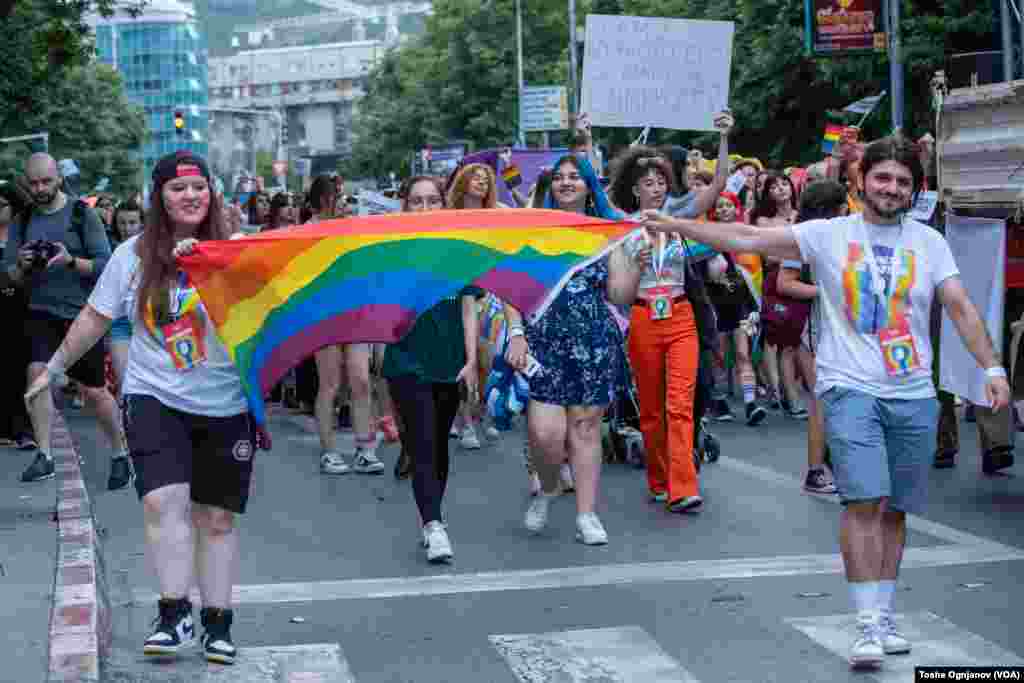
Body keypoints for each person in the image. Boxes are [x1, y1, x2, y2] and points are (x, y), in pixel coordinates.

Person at [640, 135, 1010, 669]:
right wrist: (678, 226)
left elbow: (960, 306)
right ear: (862, 183)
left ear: (914, 191)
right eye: (882, 178)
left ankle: (884, 615)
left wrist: (992, 367)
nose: (892, 188)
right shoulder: (828, 234)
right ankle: (864, 625)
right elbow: (746, 235)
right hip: (849, 387)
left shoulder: (929, 244)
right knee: (863, 500)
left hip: (912, 393)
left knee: (896, 510)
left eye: (903, 182)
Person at [24, 150, 268, 665]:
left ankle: (217, 622)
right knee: (162, 502)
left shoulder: (239, 251)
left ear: (212, 192)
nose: (190, 196)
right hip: (154, 396)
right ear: (159, 197)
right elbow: (95, 316)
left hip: (224, 401)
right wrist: (54, 367)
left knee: (217, 518)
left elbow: (275, 311)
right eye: (177, 189)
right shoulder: (132, 255)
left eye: (198, 186)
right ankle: (174, 613)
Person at [503, 153, 648, 545]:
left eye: (575, 177)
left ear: (588, 186)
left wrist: (637, 267)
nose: (566, 183)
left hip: (593, 344)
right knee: (545, 434)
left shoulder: (607, 232)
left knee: (584, 430)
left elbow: (618, 294)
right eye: (560, 177)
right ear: (551, 186)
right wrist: (515, 333)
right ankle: (548, 488)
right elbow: (512, 286)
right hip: (544, 344)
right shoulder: (535, 231)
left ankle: (586, 514)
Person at [1, 153, 130, 489]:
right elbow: (9, 278)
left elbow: (107, 265)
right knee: (36, 375)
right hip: (41, 312)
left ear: (58, 177)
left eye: (46, 181)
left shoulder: (81, 214)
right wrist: (22, 265)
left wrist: (71, 261)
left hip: (82, 316)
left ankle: (120, 453)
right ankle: (44, 456)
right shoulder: (22, 219)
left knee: (93, 392)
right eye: (33, 183)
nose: (40, 189)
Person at [382, 175, 484, 562]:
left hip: (449, 360)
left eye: (432, 201)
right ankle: (433, 524)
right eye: (416, 201)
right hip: (406, 359)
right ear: (404, 206)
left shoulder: (460, 249)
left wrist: (472, 360)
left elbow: (469, 305)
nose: (425, 208)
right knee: (423, 442)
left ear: (444, 204)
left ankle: (432, 517)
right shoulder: (391, 250)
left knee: (439, 444)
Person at [306, 175, 384, 476]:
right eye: (338, 196)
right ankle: (329, 452)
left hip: (355, 311)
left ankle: (365, 449)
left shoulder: (354, 227)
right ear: (324, 199)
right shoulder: (308, 231)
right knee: (330, 384)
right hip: (323, 315)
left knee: (361, 380)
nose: (344, 202)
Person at [776, 180, 849, 495]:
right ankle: (815, 470)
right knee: (821, 400)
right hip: (816, 329)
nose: (849, 208)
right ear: (830, 208)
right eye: (843, 203)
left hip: (849, 327)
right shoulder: (801, 238)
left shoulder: (850, 234)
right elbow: (784, 282)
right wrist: (825, 292)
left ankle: (839, 461)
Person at [0, 180, 38, 450]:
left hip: (23, 309)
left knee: (21, 367)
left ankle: (24, 429)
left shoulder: (25, 234)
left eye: (1, 204)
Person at [108, 198, 145, 395]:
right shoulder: (112, 250)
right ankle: (124, 424)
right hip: (120, 322)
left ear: (141, 223)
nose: (127, 228)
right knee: (124, 384)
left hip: (145, 321)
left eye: (132, 222)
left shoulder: (151, 248)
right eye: (122, 223)